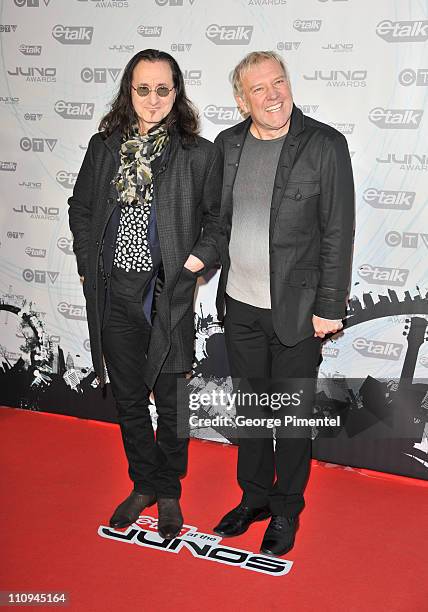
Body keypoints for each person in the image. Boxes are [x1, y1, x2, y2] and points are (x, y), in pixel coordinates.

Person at [68, 49, 222, 540]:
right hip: (115, 293)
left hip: (167, 294)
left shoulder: (199, 153)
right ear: (128, 92)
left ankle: (169, 490)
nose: (152, 99)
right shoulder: (104, 147)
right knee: (131, 400)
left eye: (162, 89)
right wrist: (89, 271)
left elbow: (218, 223)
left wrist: (196, 262)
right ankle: (143, 484)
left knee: (173, 403)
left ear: (175, 94)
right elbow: (81, 209)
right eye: (142, 89)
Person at [213, 51, 354, 556]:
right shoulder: (227, 145)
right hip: (240, 305)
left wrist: (330, 304)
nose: (274, 95)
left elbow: (338, 230)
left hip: (297, 310)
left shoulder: (324, 144)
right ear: (241, 99)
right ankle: (254, 498)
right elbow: (219, 222)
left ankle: (287, 507)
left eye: (279, 82)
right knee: (250, 411)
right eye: (259, 89)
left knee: (290, 416)